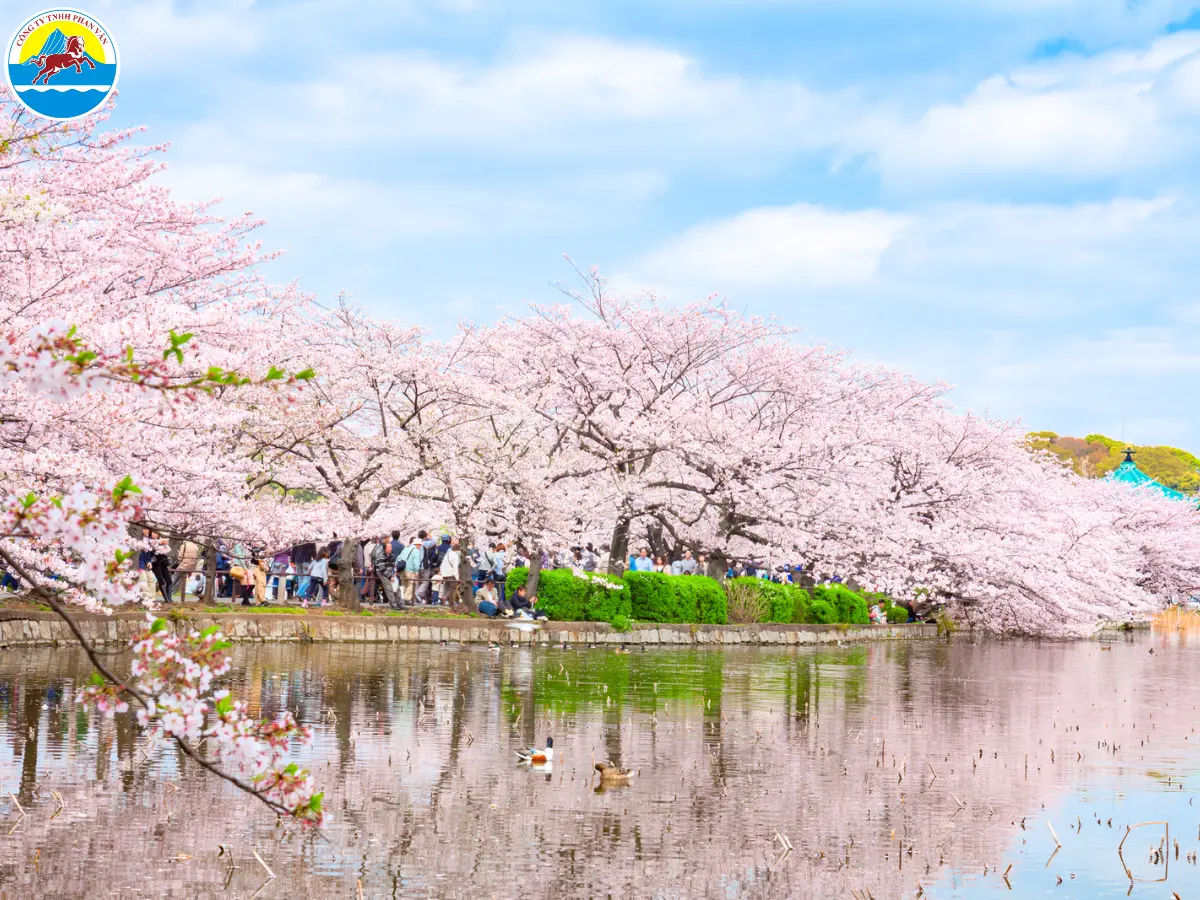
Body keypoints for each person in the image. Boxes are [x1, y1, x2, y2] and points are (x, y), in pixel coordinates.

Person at [372, 533, 403, 609]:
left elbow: (394, 565)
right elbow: (381, 568)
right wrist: (390, 576)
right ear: (385, 548)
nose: (390, 549)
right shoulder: (381, 555)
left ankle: (400, 604)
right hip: (382, 573)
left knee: (397, 587)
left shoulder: (391, 555)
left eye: (391, 547)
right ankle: (393, 604)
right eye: (389, 548)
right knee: (389, 587)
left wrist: (394, 573)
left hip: (390, 573)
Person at [172, 537, 200, 603]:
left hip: (183, 565)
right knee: (181, 579)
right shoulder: (196, 547)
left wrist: (179, 560)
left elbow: (180, 556)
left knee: (175, 577)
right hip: (191, 566)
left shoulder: (184, 545)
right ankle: (173, 591)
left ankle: (168, 590)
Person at [397, 536, 424, 605]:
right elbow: (416, 562)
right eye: (420, 545)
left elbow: (398, 558)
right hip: (410, 570)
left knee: (405, 584)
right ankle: (406, 599)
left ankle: (405, 599)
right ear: (417, 544)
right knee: (411, 584)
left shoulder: (406, 548)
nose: (420, 546)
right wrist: (416, 571)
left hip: (402, 569)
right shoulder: (416, 551)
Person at [435, 536, 461, 605]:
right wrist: (457, 578)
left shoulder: (448, 554)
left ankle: (442, 600)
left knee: (445, 588)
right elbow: (455, 568)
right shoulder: (456, 556)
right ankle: (447, 600)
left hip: (445, 574)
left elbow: (442, 564)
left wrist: (442, 573)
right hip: (451, 574)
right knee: (452, 588)